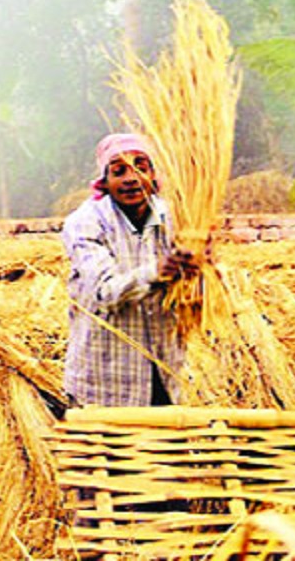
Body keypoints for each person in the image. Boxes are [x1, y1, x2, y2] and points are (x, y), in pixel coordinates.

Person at [61, 133, 201, 408]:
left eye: (141, 166)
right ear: (104, 181)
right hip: (105, 381)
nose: (131, 178)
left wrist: (201, 270)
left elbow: (195, 293)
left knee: (165, 449)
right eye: (118, 170)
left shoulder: (177, 218)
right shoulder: (84, 223)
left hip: (163, 372)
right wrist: (157, 272)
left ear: (153, 174)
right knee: (109, 451)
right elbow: (105, 292)